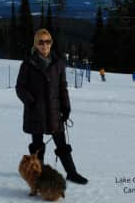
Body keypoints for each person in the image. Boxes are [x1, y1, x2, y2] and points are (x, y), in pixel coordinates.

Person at [16, 28, 88, 185]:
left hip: (54, 110)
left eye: (47, 41)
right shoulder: (28, 64)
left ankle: (72, 172)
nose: (44, 45)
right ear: (36, 44)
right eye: (41, 42)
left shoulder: (58, 63)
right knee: (37, 145)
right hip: (36, 111)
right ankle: (38, 175)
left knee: (61, 142)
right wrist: (31, 102)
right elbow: (20, 87)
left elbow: (63, 86)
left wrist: (66, 107)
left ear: (51, 43)